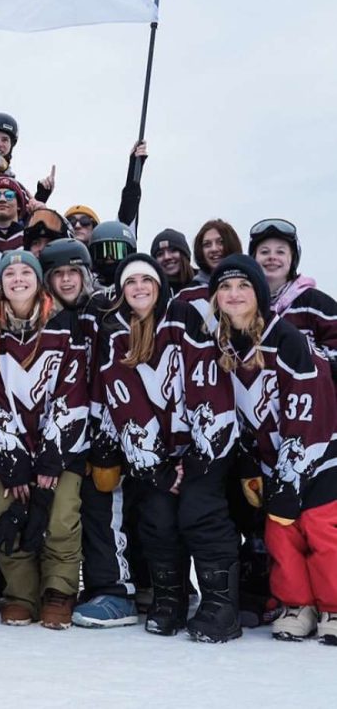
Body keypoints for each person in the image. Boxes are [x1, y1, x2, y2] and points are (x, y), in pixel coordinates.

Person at [97, 255, 241, 642]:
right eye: (131, 282)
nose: (139, 287)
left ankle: (220, 604)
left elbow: (205, 378)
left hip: (202, 446)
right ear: (122, 291)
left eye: (147, 279)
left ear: (160, 284)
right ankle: (169, 598)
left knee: (200, 511)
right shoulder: (114, 331)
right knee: (157, 516)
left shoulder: (183, 316)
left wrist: (199, 452)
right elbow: (123, 399)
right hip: (156, 455)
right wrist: (155, 463)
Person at [205, 256, 337, 645]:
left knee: (320, 529)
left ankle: (332, 604)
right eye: (225, 288)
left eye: (243, 286)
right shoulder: (224, 344)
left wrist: (291, 476)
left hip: (316, 456)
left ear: (259, 295)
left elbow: (309, 409)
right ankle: (296, 604)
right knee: (280, 533)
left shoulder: (289, 340)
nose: (233, 294)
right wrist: (250, 462)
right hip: (269, 460)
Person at [0, 250, 89, 627]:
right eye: (10, 273)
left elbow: (72, 392)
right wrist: (14, 461)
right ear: (1, 282)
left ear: (39, 280)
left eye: (27, 272)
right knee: (6, 511)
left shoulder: (65, 324)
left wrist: (50, 457)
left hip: (60, 448)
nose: (18, 278)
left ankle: (59, 589)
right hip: (9, 450)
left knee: (60, 516)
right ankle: (20, 592)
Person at [38, 238, 140, 629]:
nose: (66, 281)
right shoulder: (43, 316)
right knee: (63, 513)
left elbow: (114, 369)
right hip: (60, 430)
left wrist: (108, 428)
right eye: (58, 274)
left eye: (72, 273)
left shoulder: (102, 310)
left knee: (103, 508)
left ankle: (115, 590)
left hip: (102, 426)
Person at [248, 218, 337, 377]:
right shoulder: (244, 305)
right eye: (264, 252)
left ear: (293, 258)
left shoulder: (316, 304)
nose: (272, 257)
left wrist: (304, 357)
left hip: (308, 397)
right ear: (254, 259)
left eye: (280, 251)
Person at [0, 112, 54, 203]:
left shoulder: (13, 183)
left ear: (11, 145)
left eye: (5, 140)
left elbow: (26, 215)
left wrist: (41, 196)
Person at [174, 219, 242, 327]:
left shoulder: (250, 290)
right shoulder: (187, 296)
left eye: (221, 242)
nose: (214, 249)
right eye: (207, 244)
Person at [88, 220, 137, 290]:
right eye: (102, 252)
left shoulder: (138, 288)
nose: (109, 258)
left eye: (116, 252)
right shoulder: (86, 291)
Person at [151, 228, 195, 296]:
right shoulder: (152, 292)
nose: (167, 257)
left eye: (173, 251)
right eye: (160, 254)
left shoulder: (204, 284)